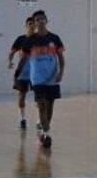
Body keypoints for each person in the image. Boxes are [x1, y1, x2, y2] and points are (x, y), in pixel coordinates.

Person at [21, 10, 64, 148]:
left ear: (46, 20)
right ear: (34, 23)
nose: (40, 21)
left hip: (52, 79)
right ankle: (47, 134)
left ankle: (43, 127)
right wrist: (17, 73)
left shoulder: (55, 38)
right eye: (37, 20)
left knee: (50, 106)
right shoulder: (30, 40)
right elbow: (23, 58)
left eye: (42, 19)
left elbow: (61, 59)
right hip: (37, 80)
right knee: (41, 106)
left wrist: (60, 73)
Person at [8, 17, 36, 129]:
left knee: (40, 97)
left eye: (33, 24)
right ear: (26, 26)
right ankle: (22, 119)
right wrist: (10, 62)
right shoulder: (20, 39)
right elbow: (12, 52)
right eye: (30, 23)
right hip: (23, 74)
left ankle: (39, 121)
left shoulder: (39, 39)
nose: (32, 25)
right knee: (22, 96)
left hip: (36, 74)